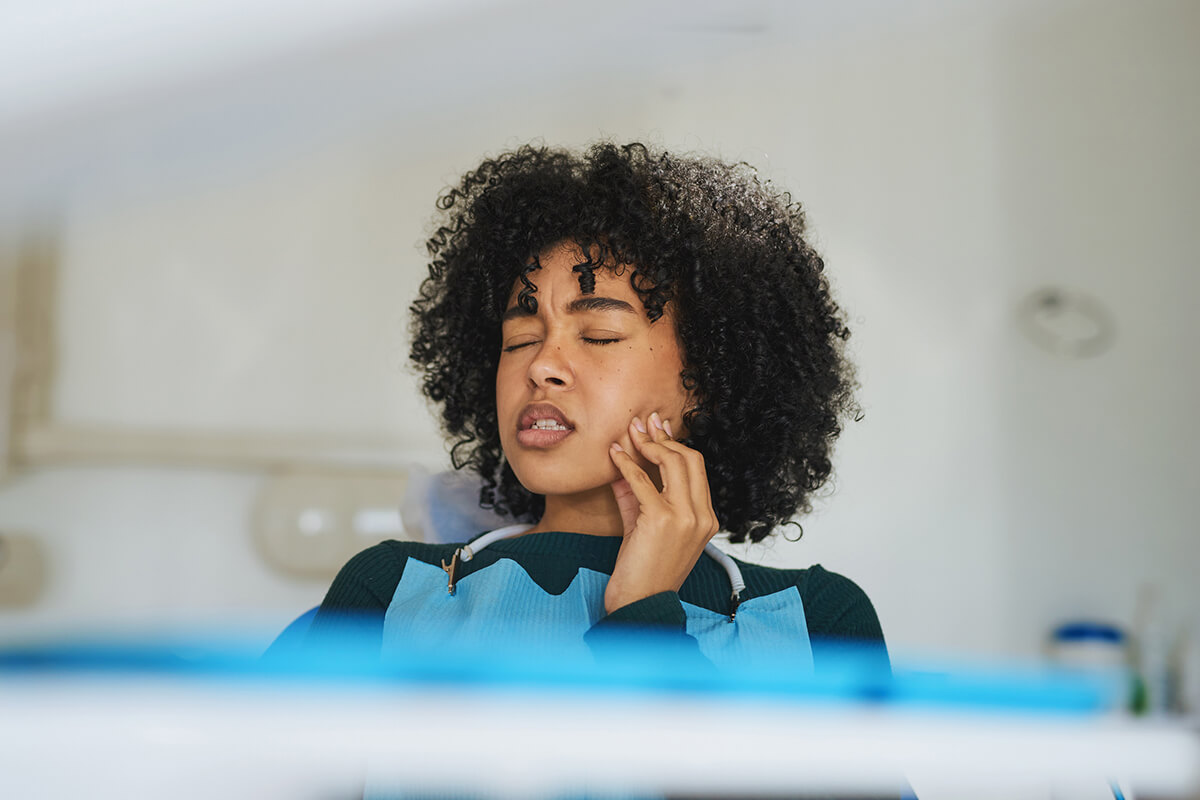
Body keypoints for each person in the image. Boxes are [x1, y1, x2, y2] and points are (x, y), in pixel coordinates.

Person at [302, 142, 885, 673]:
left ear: (708, 378)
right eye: (520, 340)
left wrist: (643, 614)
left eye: (599, 335)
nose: (541, 365)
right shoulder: (389, 589)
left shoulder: (815, 620)